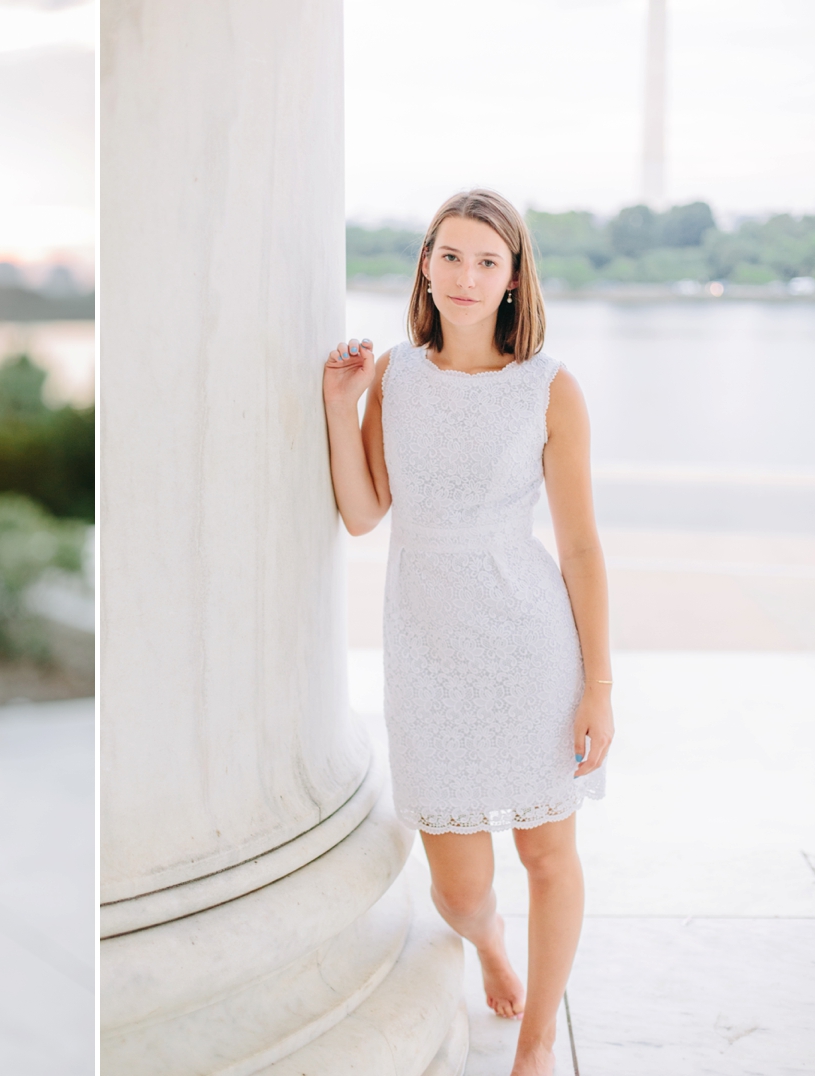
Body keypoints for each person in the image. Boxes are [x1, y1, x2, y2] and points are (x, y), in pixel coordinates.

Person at [321, 189, 613, 1076]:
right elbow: (367, 513)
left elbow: (581, 545)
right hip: (428, 647)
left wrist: (598, 683)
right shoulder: (398, 378)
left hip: (529, 642)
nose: (467, 276)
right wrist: (343, 403)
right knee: (459, 888)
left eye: (488, 261)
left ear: (516, 277)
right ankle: (490, 945)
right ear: (424, 263)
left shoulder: (551, 389)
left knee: (548, 853)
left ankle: (533, 1048)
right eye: (451, 255)